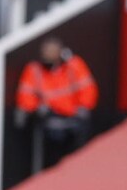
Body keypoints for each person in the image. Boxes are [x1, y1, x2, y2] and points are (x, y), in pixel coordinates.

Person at [16, 38, 98, 170]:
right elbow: (26, 96)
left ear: (60, 52)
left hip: (73, 116)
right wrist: (35, 108)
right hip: (49, 117)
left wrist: (84, 106)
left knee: (78, 148)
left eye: (51, 51)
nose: (47, 55)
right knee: (50, 154)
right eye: (45, 52)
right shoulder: (34, 69)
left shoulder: (74, 65)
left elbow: (88, 89)